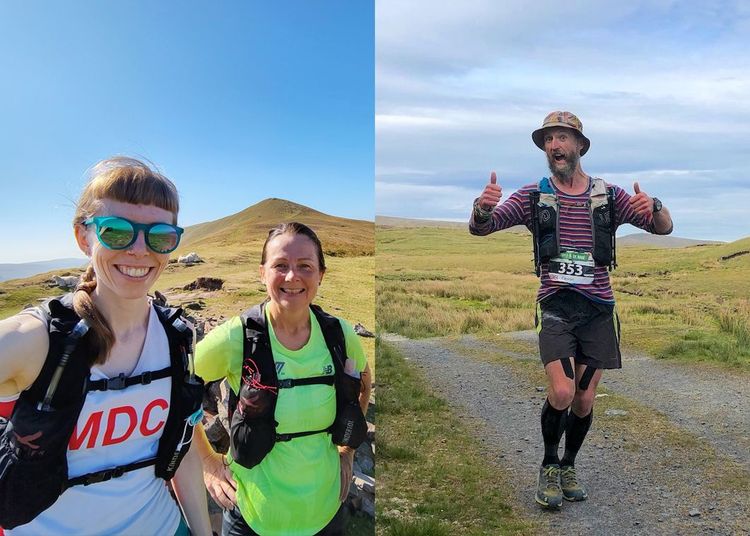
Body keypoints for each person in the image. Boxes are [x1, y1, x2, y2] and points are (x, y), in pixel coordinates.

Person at [469, 111, 673, 509]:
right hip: (557, 308)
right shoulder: (534, 195)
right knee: (562, 391)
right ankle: (548, 465)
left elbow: (662, 227)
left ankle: (568, 465)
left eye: (562, 138)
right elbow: (482, 228)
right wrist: (482, 208)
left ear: (580, 146)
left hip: (597, 310)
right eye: (548, 140)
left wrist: (656, 205)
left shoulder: (608, 196)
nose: (554, 146)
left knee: (583, 401)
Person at [0, 157, 212, 534]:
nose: (139, 250)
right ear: (84, 236)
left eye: (160, 236)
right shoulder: (38, 340)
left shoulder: (177, 338)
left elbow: (185, 450)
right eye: (117, 232)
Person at [193, 222, 372, 536]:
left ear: (321, 275)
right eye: (280, 266)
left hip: (326, 513)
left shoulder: (340, 335)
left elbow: (363, 383)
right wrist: (207, 460)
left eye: (305, 266)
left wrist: (348, 452)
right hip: (252, 516)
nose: (292, 277)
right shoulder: (236, 337)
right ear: (262, 273)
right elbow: (174, 389)